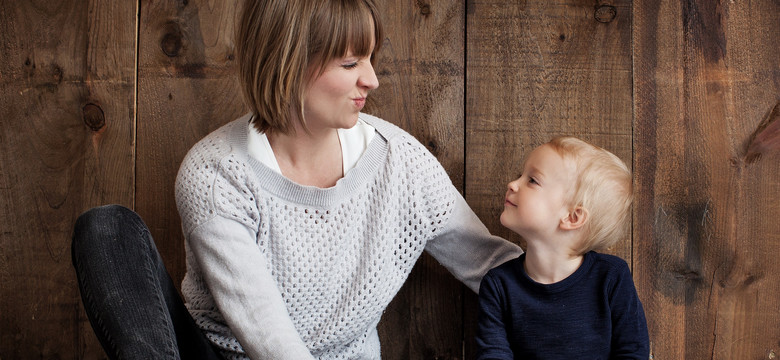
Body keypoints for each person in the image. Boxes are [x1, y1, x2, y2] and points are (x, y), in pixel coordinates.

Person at [71, 0, 522, 359]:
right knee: (106, 228)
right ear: (289, 63)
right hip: (220, 354)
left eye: (370, 59)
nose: (372, 79)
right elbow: (265, 334)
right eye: (350, 63)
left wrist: (589, 286)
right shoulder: (215, 172)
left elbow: (490, 266)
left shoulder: (400, 162)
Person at [475, 136, 649, 359]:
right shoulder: (498, 285)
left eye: (533, 180)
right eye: (521, 175)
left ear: (573, 217)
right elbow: (493, 354)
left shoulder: (611, 277)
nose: (513, 184)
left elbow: (632, 352)